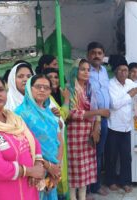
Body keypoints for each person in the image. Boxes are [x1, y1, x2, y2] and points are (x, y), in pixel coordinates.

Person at [67, 59, 110, 200]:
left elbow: (96, 109)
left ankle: (83, 196)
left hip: (89, 132)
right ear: (75, 71)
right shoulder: (70, 89)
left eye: (88, 69)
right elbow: (71, 113)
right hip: (74, 134)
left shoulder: (90, 88)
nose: (86, 72)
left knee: (85, 169)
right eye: (82, 69)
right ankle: (73, 197)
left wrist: (97, 127)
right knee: (74, 170)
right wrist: (98, 113)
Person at [15, 74, 63, 200]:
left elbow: (59, 140)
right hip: (34, 170)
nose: (42, 90)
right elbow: (23, 147)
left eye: (46, 88)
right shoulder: (19, 114)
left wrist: (57, 167)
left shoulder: (50, 112)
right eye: (38, 86)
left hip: (53, 167)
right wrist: (49, 167)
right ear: (29, 89)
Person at [0, 76, 45, 200]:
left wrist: (38, 165)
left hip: (29, 189)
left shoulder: (15, 119)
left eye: (0, 89)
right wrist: (29, 171)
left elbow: (34, 142)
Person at [105, 56, 137, 193]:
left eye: (125, 70)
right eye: (120, 70)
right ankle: (111, 181)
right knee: (111, 156)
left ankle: (125, 182)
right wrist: (130, 95)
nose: (123, 73)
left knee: (126, 157)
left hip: (127, 127)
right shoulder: (110, 84)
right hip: (113, 126)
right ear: (115, 71)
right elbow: (114, 104)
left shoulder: (130, 83)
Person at [87, 41, 111, 196]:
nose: (97, 55)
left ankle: (95, 185)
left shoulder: (104, 71)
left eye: (99, 53)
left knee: (99, 152)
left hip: (104, 119)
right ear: (88, 55)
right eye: (94, 53)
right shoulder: (84, 71)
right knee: (89, 153)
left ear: (103, 56)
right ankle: (89, 188)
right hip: (90, 119)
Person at [42, 68, 70, 199]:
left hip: (61, 141)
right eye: (50, 77)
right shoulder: (47, 99)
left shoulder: (54, 96)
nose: (54, 79)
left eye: (56, 76)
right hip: (50, 146)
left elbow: (62, 117)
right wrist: (66, 101)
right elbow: (62, 117)